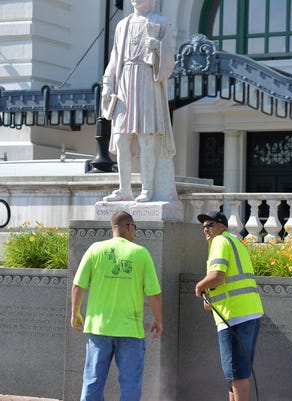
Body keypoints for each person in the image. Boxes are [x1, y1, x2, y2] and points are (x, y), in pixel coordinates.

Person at [71, 210, 163, 401]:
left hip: (99, 328)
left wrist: (75, 313)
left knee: (92, 382)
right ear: (129, 227)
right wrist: (158, 320)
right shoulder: (140, 253)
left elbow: (78, 285)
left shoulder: (95, 249)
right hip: (130, 330)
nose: (134, 232)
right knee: (130, 385)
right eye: (135, 228)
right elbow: (154, 294)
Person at [102, 0, 176, 203]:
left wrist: (158, 46)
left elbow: (170, 60)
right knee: (121, 139)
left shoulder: (161, 22)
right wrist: (108, 83)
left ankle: (147, 189)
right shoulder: (122, 25)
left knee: (146, 139)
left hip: (147, 83)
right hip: (125, 82)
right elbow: (115, 58)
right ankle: (124, 189)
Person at [195, 210, 264, 401]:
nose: (206, 229)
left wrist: (199, 286)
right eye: (203, 227)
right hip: (249, 313)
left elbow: (217, 276)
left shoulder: (219, 241)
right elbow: (229, 281)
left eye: (210, 225)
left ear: (222, 226)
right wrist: (212, 298)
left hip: (234, 316)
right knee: (234, 374)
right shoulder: (235, 243)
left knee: (237, 373)